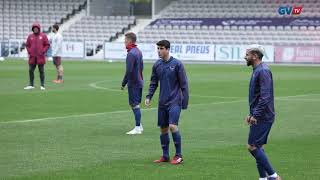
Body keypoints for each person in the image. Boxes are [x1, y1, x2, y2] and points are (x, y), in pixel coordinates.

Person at [145, 40, 189, 165]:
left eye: (161, 48)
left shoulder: (177, 64)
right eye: (158, 48)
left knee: (172, 126)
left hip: (175, 101)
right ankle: (165, 156)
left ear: (168, 49)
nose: (159, 51)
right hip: (162, 102)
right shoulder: (157, 65)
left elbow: (184, 84)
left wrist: (184, 102)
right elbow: (154, 82)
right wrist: (149, 96)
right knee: (163, 129)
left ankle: (179, 155)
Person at [244, 44, 281, 180]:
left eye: (247, 54)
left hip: (263, 116)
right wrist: (252, 114)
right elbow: (258, 96)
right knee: (258, 146)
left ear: (254, 56)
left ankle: (274, 176)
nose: (245, 57)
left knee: (252, 146)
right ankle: (263, 178)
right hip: (259, 114)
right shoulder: (257, 70)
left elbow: (265, 97)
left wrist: (256, 115)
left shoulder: (263, 71)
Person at [121, 32, 144, 135]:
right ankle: (140, 125)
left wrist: (124, 83)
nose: (124, 42)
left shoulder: (131, 53)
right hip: (139, 81)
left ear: (130, 41)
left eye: (125, 40)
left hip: (134, 82)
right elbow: (141, 67)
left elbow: (129, 70)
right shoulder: (138, 51)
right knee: (135, 104)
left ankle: (138, 127)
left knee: (134, 104)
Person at [24, 23, 50, 90]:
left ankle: (42, 85)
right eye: (34, 28)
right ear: (33, 29)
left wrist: (43, 51)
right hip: (32, 57)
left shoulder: (43, 36)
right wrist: (29, 51)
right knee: (30, 70)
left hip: (40, 57)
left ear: (38, 29)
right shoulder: (30, 36)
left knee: (41, 71)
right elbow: (27, 45)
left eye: (36, 28)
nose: (35, 29)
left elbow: (47, 44)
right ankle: (31, 84)